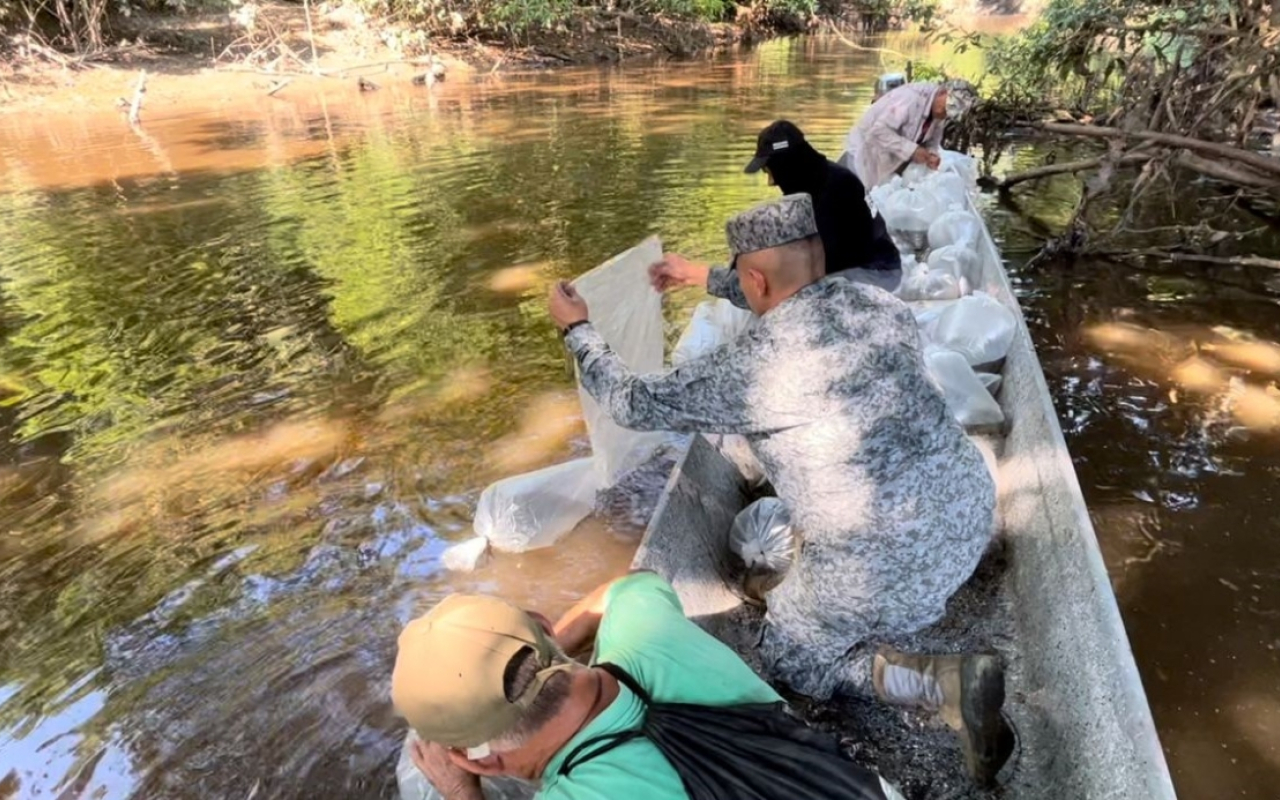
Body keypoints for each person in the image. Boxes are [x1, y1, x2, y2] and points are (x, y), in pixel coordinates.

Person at [549, 193, 1012, 786]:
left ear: (756, 279)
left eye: (744, 279)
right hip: (968, 513)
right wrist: (704, 277)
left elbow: (633, 401)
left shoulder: (756, 368)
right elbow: (787, 291)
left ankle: (942, 685)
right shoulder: (873, 304)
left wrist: (579, 330)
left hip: (886, 564)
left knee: (788, 657)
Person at [391, 571, 906, 800]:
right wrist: (545, 654)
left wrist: (461, 792)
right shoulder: (643, 631)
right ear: (545, 626)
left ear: (478, 758)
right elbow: (627, 586)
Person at [660, 120, 901, 299]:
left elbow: (790, 279)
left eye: (770, 172)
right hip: (856, 268)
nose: (771, 183)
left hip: (877, 274)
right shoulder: (821, 182)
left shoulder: (835, 192)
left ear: (787, 165)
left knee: (786, 297)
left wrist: (696, 274)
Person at [840, 79, 977, 190]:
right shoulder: (910, 99)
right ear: (943, 93)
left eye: (950, 114)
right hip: (861, 156)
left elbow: (933, 140)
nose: (944, 114)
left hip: (885, 163)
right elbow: (877, 131)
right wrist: (913, 150)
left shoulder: (938, 111)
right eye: (947, 108)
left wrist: (931, 154)